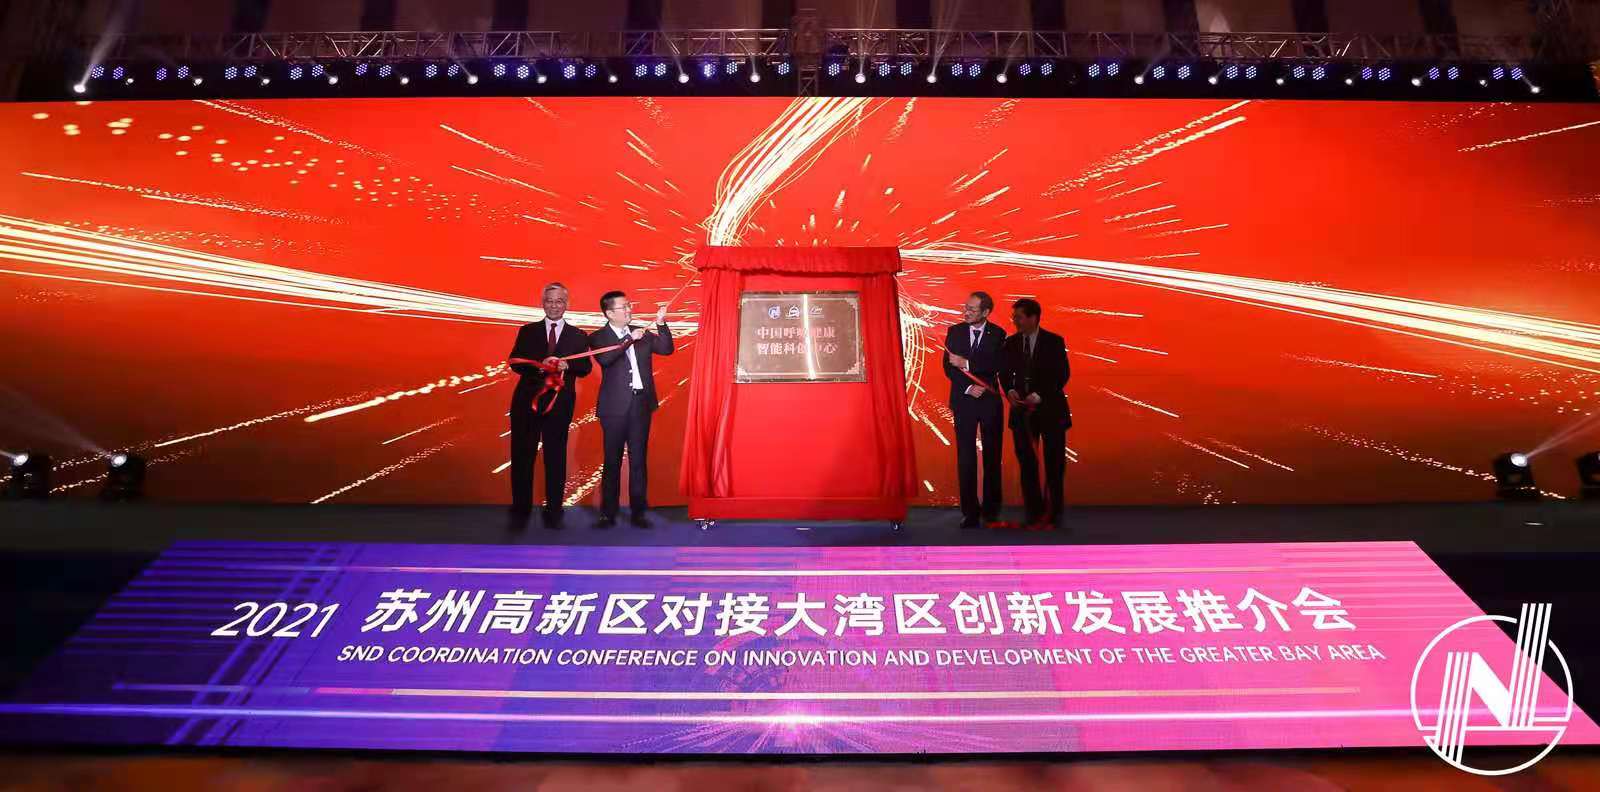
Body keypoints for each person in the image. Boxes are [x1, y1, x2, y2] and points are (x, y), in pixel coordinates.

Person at [508, 282, 592, 527]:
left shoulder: (578, 335)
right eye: (550, 301)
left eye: (559, 301)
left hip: (560, 404)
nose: (554, 306)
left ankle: (554, 509)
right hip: (527, 403)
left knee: (556, 456)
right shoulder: (528, 331)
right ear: (542, 303)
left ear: (567, 304)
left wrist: (568, 365)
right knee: (522, 455)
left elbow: (585, 367)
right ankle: (521, 509)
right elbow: (515, 362)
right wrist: (541, 365)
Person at [591, 290, 673, 528]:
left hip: (640, 405)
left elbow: (666, 349)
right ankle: (608, 513)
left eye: (629, 305)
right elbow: (606, 360)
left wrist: (661, 323)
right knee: (612, 460)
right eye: (624, 307)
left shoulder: (641, 332)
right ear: (609, 313)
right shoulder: (598, 337)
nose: (629, 310)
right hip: (614, 408)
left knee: (638, 460)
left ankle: (639, 512)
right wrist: (629, 339)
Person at [999, 298, 1071, 528]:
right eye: (1014, 317)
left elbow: (1062, 374)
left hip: (1051, 412)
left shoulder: (1054, 342)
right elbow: (1004, 373)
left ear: (1033, 318)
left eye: (1019, 317)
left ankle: (1054, 512)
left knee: (1054, 463)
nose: (1015, 321)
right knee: (1027, 464)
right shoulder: (1010, 343)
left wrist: (1040, 395)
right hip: (1021, 413)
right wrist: (1009, 390)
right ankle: (1033, 512)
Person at [943, 291, 1007, 530]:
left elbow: (996, 364)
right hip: (964, 401)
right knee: (966, 457)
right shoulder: (955, 332)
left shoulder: (998, 334)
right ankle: (969, 512)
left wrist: (967, 364)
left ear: (986, 312)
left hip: (989, 403)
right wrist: (968, 387)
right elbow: (948, 366)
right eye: (966, 308)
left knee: (992, 456)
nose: (966, 312)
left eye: (972, 309)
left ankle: (991, 511)